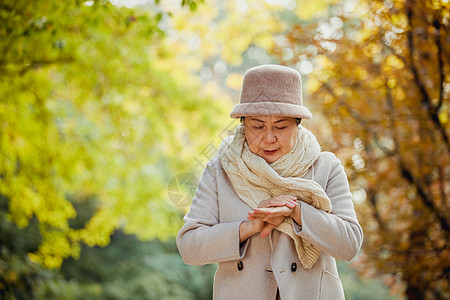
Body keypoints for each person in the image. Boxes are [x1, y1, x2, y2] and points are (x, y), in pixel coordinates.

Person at [176, 64, 363, 300]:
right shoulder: (220, 169)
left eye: (281, 126)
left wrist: (298, 212)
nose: (269, 138)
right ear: (243, 125)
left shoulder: (325, 167)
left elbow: (350, 244)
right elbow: (190, 247)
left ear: (297, 123)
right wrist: (248, 228)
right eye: (257, 126)